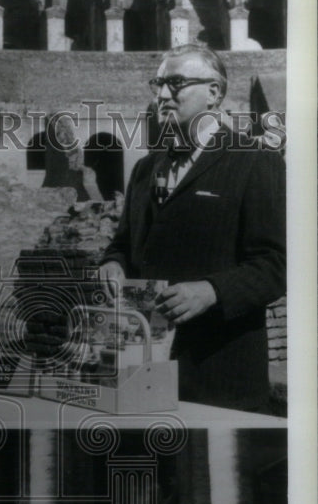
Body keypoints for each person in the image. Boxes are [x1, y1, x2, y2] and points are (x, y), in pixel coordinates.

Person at [99, 44, 285, 413]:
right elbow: (122, 244)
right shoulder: (144, 169)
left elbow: (276, 264)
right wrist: (113, 264)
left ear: (214, 92)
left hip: (217, 376)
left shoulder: (256, 161)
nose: (163, 94)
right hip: (140, 370)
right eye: (159, 84)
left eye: (176, 83)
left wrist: (212, 291)